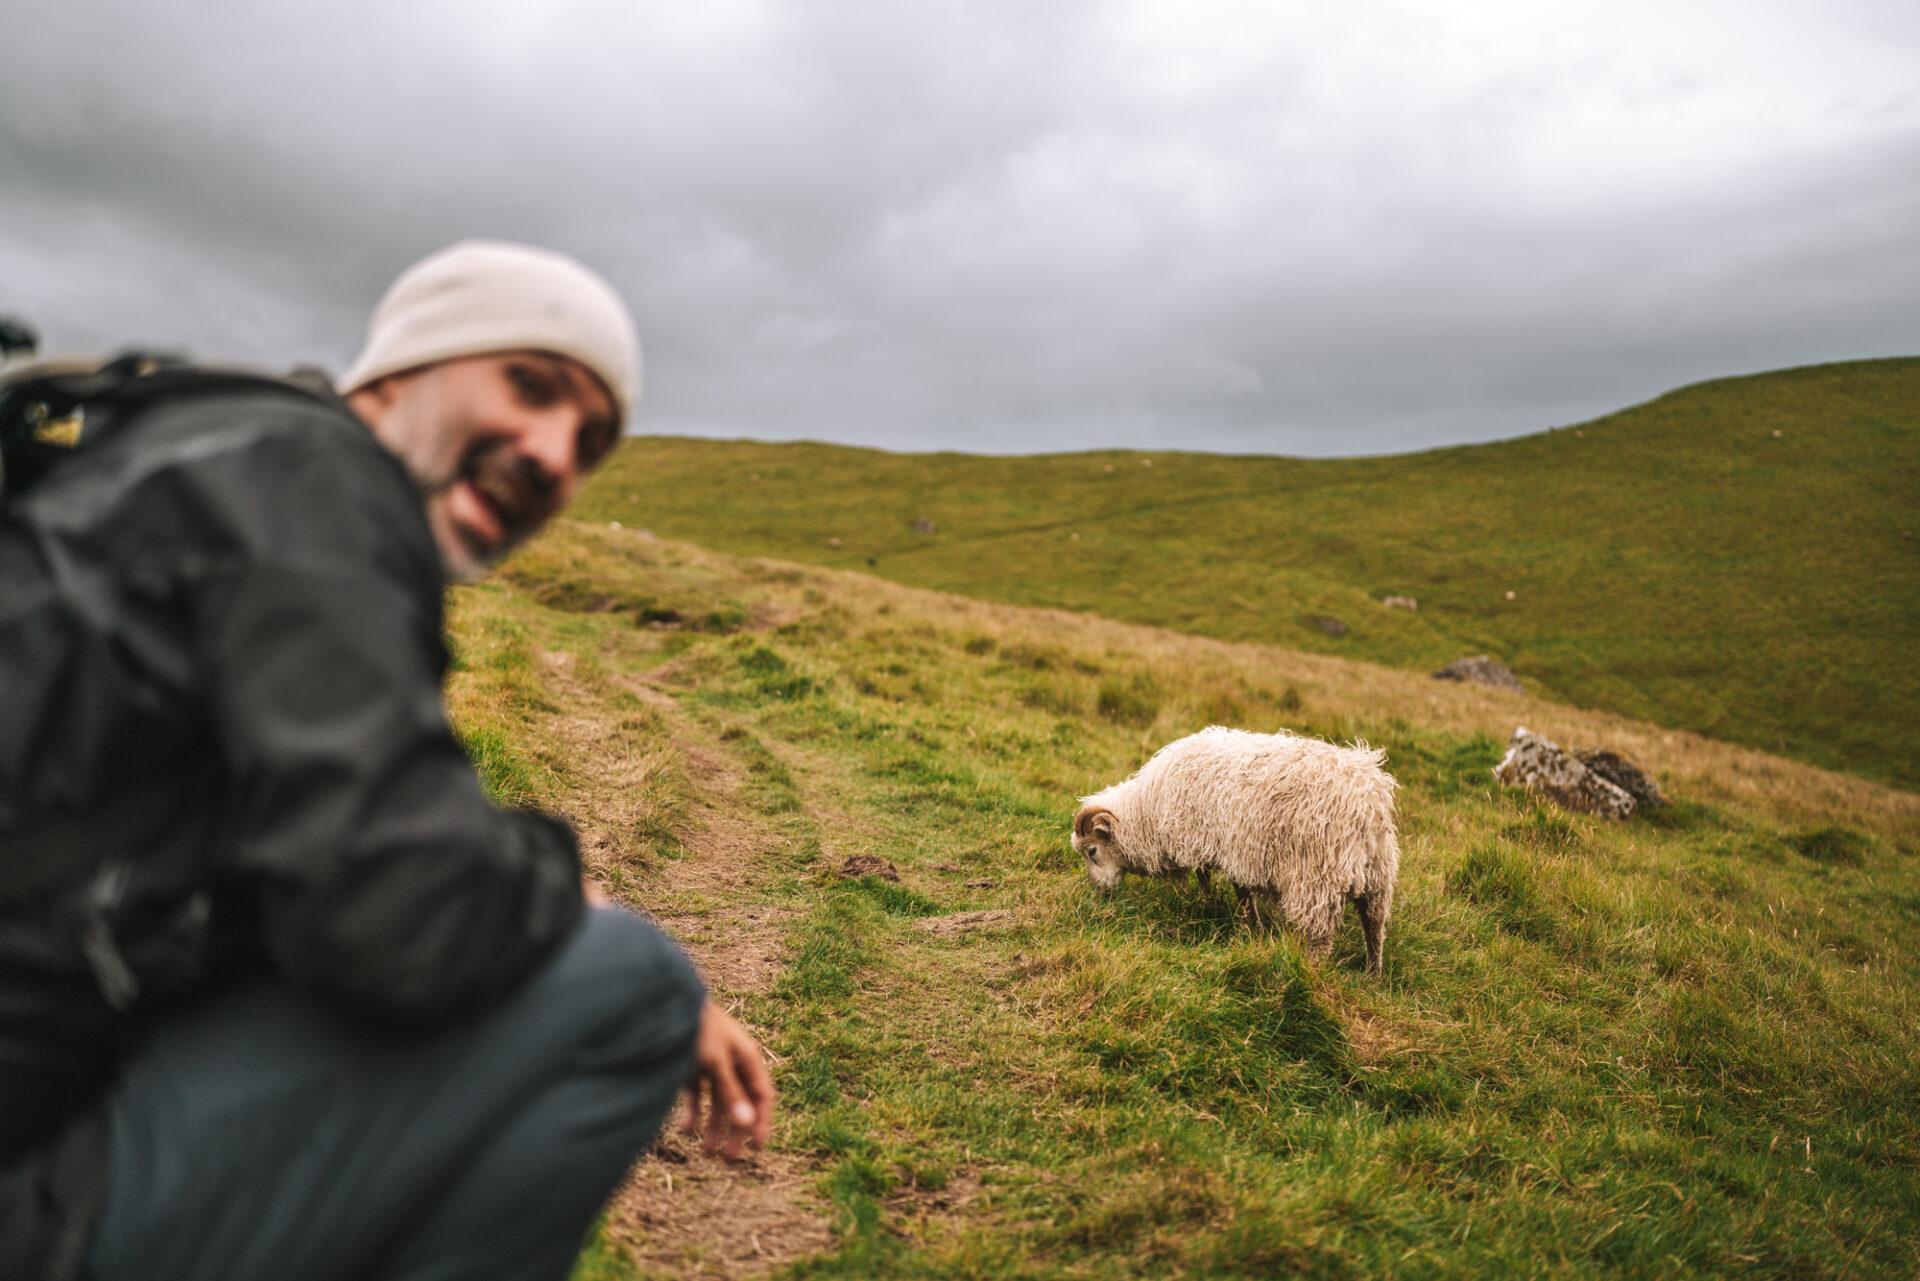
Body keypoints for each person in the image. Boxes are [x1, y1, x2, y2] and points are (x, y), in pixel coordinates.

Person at [0, 240, 774, 1280]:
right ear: (405, 368)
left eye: (589, 442)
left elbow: (321, 845)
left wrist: (532, 883)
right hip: (32, 1193)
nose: (554, 456)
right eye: (530, 387)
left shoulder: (202, 454)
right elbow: (400, 923)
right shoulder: (310, 482)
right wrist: (567, 896)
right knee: (635, 986)